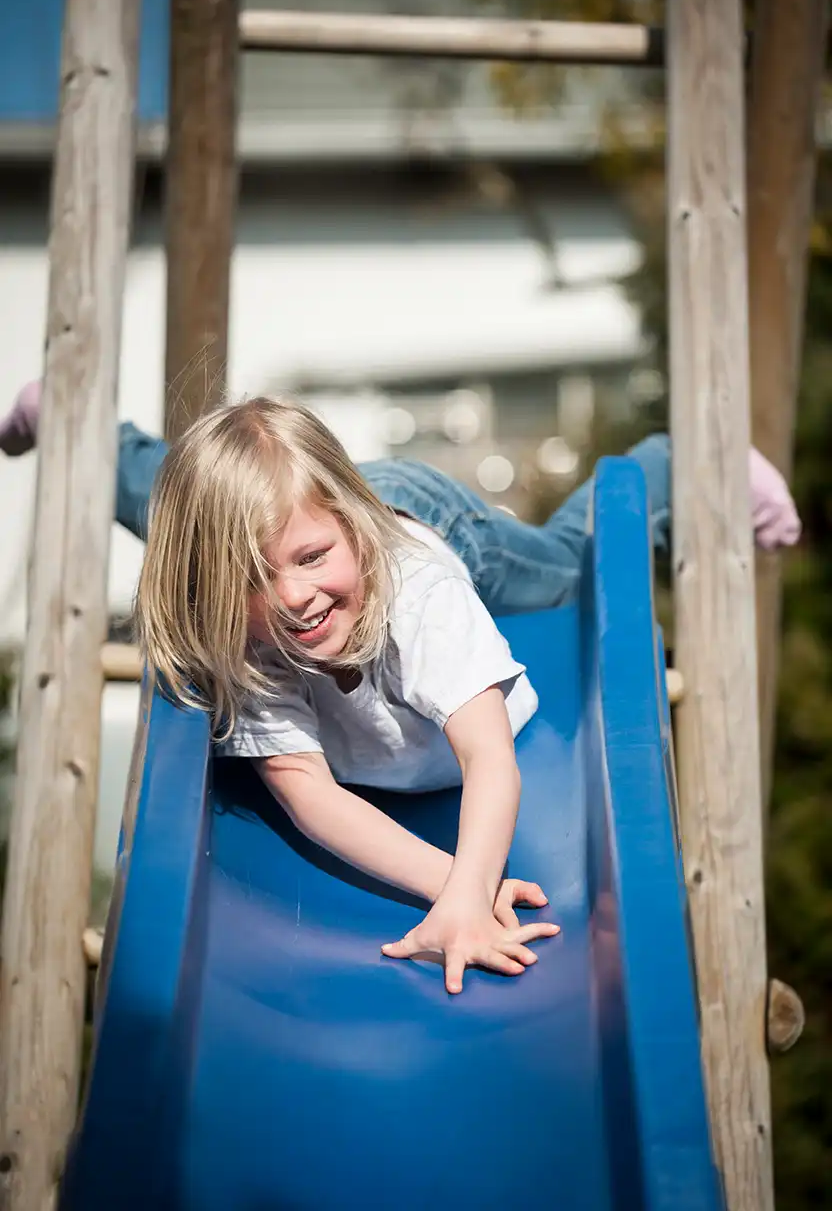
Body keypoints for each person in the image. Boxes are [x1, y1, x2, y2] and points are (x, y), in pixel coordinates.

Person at [0, 382, 801, 994]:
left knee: (563, 568)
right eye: (250, 578)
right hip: (310, 511)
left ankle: (687, 458)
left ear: (347, 529)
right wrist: (447, 886)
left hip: (433, 520)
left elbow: (491, 759)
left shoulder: (420, 594)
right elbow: (311, 797)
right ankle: (77, 418)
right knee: (175, 503)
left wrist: (472, 889)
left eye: (313, 559)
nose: (292, 597)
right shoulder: (243, 637)